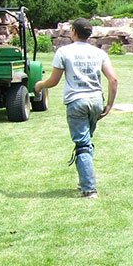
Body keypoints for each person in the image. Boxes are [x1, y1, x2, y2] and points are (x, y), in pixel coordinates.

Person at [34, 18, 118, 198]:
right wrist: (109, 104)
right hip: (96, 100)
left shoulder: (64, 51)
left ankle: (89, 189)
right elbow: (113, 79)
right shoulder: (99, 53)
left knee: (82, 144)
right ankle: (84, 180)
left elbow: (54, 81)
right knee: (86, 141)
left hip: (76, 102)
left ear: (73, 31)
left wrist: (40, 85)